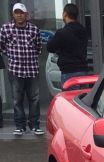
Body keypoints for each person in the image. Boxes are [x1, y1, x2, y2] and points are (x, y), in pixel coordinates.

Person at [0, 3, 42, 136]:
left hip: (32, 70)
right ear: (13, 14)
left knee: (34, 98)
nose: (19, 15)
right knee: (17, 100)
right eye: (16, 12)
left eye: (21, 12)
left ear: (26, 14)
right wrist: (11, 55)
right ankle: (20, 126)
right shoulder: (6, 29)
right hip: (15, 70)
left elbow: (39, 47)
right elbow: (1, 46)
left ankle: (35, 125)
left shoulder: (34, 30)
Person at [47, 3, 88, 89]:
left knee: (69, 100)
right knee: (82, 99)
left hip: (69, 73)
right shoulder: (83, 31)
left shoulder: (62, 33)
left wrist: (58, 49)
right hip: (83, 72)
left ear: (65, 14)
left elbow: (50, 47)